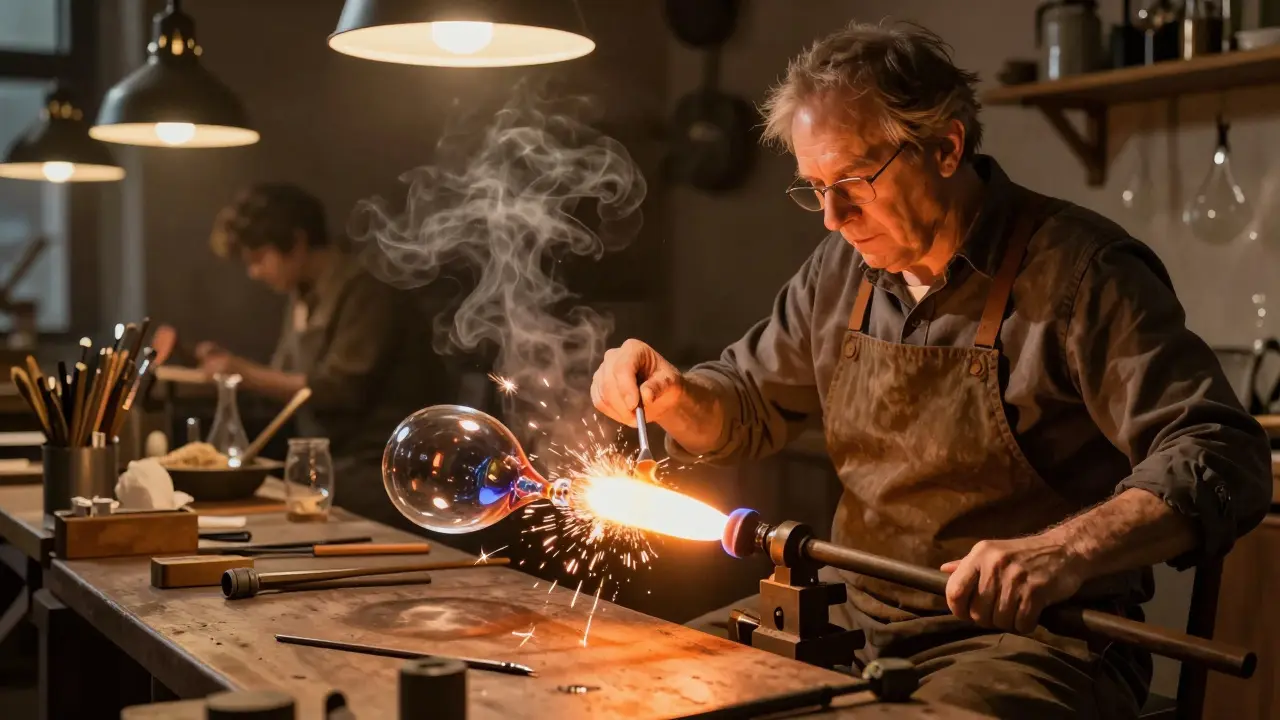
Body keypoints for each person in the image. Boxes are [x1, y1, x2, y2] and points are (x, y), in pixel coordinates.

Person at [590, 22, 1270, 719]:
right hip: (851, 614)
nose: (832, 217)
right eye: (814, 187)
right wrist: (675, 398)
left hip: (1032, 643)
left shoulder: (1083, 275)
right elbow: (747, 402)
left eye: (853, 181)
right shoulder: (841, 271)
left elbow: (1220, 453)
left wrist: (1058, 554)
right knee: (641, 684)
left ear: (946, 147)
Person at [186, 182, 451, 526]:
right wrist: (229, 369)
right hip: (329, 464)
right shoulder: (302, 293)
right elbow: (283, 380)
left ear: (296, 242)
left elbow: (337, 390)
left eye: (258, 259)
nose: (254, 272)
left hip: (383, 470)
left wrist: (242, 371)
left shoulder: (366, 289)